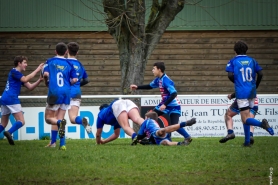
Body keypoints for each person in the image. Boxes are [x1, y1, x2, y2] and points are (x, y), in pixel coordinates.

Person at [130, 62, 193, 145]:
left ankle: (187, 137)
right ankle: (148, 137)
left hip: (174, 106)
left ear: (159, 70)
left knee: (174, 125)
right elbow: (150, 86)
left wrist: (165, 104)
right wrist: (138, 87)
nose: (152, 70)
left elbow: (174, 93)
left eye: (154, 69)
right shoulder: (158, 79)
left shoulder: (166, 80)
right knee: (149, 117)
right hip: (164, 104)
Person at [225, 40, 274, 146]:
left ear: (235, 50)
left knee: (246, 119)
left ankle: (262, 124)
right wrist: (255, 85)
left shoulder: (233, 61)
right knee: (247, 117)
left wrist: (238, 82)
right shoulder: (252, 60)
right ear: (246, 50)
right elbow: (260, 73)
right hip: (252, 92)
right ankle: (247, 142)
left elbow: (229, 75)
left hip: (242, 93)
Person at [45, 42, 91, 148]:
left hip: (63, 92)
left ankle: (53, 142)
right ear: (77, 52)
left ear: (67, 52)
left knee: (55, 118)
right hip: (76, 93)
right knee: (73, 118)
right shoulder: (79, 64)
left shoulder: (63, 62)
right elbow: (87, 79)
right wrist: (78, 85)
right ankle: (82, 121)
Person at [0, 56, 44, 145]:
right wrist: (37, 70)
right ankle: (9, 132)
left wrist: (39, 80)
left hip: (4, 99)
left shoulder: (18, 75)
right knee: (21, 121)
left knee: (3, 124)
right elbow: (25, 79)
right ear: (19, 63)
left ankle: (8, 132)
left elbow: (30, 87)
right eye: (24, 63)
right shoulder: (14, 72)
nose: (26, 65)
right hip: (11, 98)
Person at [43, 42, 78, 150]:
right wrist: (68, 83)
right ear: (66, 52)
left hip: (54, 92)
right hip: (66, 93)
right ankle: (62, 144)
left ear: (55, 51)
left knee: (49, 119)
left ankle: (58, 128)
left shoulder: (49, 61)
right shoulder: (70, 64)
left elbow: (45, 74)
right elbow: (75, 79)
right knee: (60, 118)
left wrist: (46, 82)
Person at [131, 112, 197, 146]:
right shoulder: (155, 123)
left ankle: (184, 123)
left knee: (161, 131)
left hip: (155, 133)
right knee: (166, 142)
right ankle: (181, 144)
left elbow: (139, 135)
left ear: (147, 117)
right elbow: (148, 142)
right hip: (156, 140)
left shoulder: (147, 121)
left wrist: (139, 139)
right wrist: (142, 141)